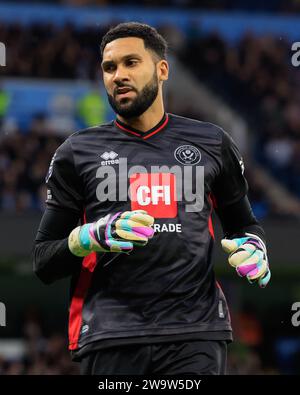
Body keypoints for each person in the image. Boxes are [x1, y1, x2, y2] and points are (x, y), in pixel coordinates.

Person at [33, 22, 271, 375]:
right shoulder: (76, 152)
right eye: (109, 67)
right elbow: (43, 261)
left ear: (162, 69)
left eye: (131, 63)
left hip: (196, 332)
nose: (118, 75)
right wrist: (88, 238)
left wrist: (255, 248)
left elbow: (243, 223)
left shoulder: (211, 142)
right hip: (111, 334)